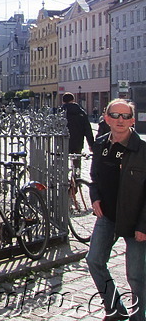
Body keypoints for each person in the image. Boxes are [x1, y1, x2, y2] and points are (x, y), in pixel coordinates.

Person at [87, 99, 146, 321]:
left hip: (135, 219)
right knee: (94, 260)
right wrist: (95, 198)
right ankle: (115, 308)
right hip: (108, 215)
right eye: (115, 115)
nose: (120, 120)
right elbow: (94, 177)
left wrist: (143, 225)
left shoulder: (142, 150)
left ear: (132, 120)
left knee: (137, 277)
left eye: (125, 116)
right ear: (106, 118)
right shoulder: (101, 143)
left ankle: (139, 317)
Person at [62, 92, 94, 166]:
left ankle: (63, 175)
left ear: (63, 101)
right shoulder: (81, 112)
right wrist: (91, 145)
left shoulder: (60, 112)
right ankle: (76, 174)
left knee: (62, 160)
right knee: (76, 160)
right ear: (73, 100)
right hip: (78, 141)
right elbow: (88, 129)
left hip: (63, 140)